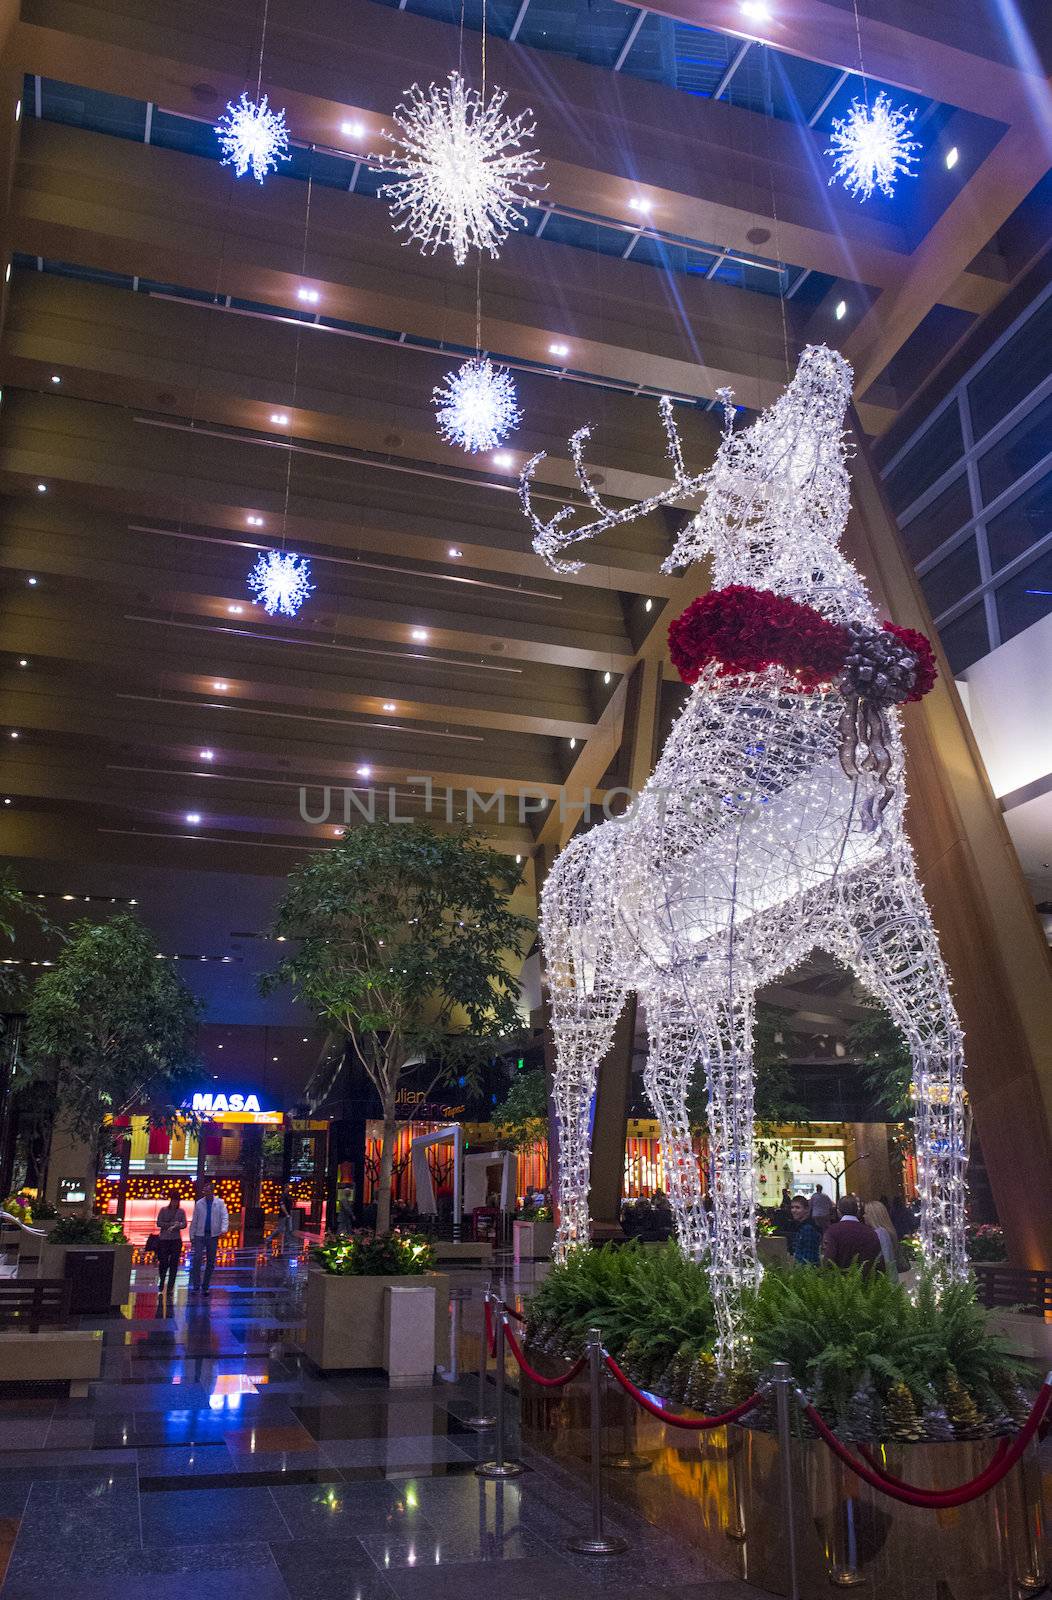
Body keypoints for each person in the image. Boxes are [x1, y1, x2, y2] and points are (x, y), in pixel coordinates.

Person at [821, 1194, 884, 1271]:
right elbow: (877, 1260)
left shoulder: (832, 1231)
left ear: (838, 1211)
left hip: (840, 1280)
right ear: (857, 1211)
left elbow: (828, 1260)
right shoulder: (871, 1232)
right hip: (867, 1280)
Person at [189, 1178, 229, 1293]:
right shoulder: (199, 1203)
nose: (205, 1193)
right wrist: (192, 1235)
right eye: (204, 1191)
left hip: (213, 1235)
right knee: (197, 1259)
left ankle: (205, 1286)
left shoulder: (220, 1203)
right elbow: (195, 1220)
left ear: (212, 1191)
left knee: (210, 1262)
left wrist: (223, 1229)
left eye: (207, 1191)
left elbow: (224, 1216)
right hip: (200, 1235)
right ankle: (196, 1285)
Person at [153, 1188, 186, 1301]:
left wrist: (177, 1226)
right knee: (163, 1262)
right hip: (164, 1239)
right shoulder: (163, 1210)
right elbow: (158, 1223)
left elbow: (184, 1224)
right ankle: (162, 1280)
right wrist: (171, 1225)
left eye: (176, 1201)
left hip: (176, 1240)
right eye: (173, 1201)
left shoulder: (181, 1212)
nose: (175, 1203)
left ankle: (170, 1286)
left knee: (174, 1263)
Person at [864, 1199, 901, 1281]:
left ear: (873, 1215)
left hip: (885, 1280)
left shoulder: (880, 1233)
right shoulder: (888, 1231)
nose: (864, 1216)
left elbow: (886, 1257)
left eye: (866, 1213)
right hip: (892, 1277)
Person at [789, 1195, 821, 1266]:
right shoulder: (802, 1226)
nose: (794, 1210)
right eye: (792, 1207)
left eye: (797, 1207)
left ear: (806, 1209)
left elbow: (809, 1257)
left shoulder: (808, 1228)